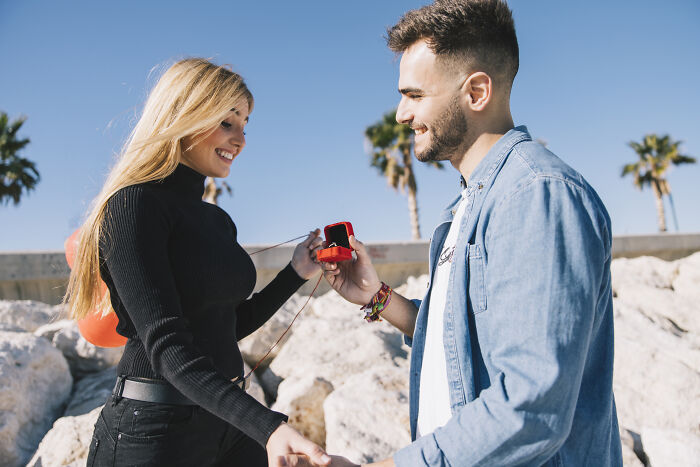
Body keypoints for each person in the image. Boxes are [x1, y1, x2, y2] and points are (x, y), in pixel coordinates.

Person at [298, 0, 623, 465]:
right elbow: (465, 345)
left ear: (475, 93)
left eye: (414, 94)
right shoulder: (470, 204)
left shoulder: (535, 196)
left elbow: (531, 406)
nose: (400, 114)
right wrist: (377, 297)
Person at [65, 58, 332, 467]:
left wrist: (296, 272)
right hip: (153, 433)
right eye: (227, 122)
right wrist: (269, 426)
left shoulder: (216, 219)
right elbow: (168, 348)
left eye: (244, 125)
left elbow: (226, 327)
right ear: (185, 114)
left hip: (228, 420)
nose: (240, 139)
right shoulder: (132, 205)